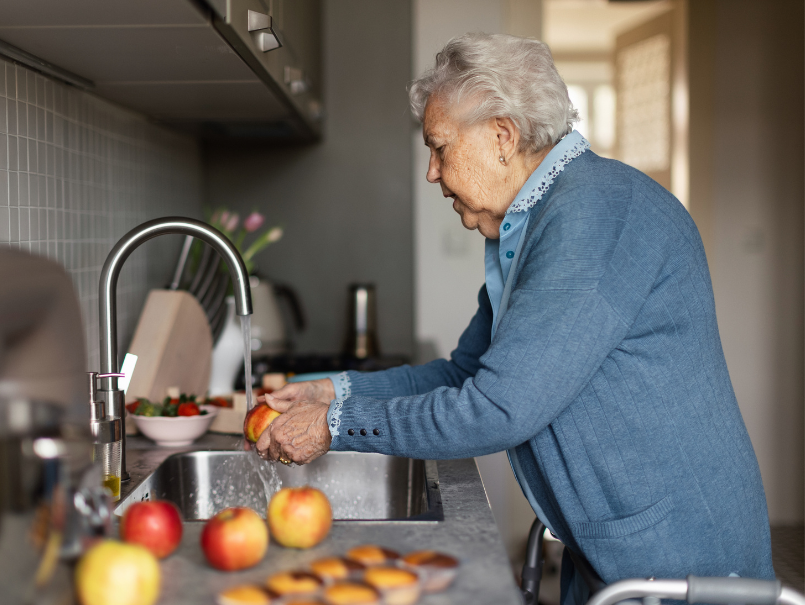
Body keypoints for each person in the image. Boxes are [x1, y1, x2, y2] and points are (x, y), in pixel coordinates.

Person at [250, 33, 774, 600]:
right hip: (612, 559)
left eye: (439, 147)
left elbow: (496, 408)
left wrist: (336, 425)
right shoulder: (535, 229)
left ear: (502, 136)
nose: (431, 173)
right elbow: (466, 375)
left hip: (678, 572)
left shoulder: (596, 214)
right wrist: (332, 392)